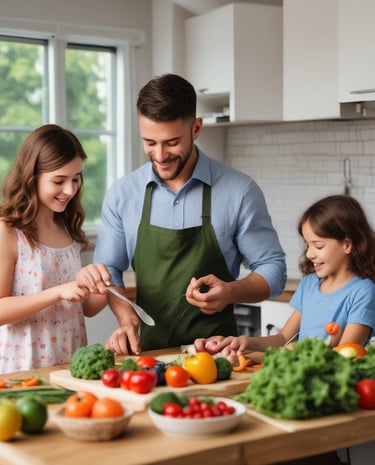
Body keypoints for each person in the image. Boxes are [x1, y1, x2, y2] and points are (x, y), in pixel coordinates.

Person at [78, 73, 286, 355]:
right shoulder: (123, 193)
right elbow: (109, 270)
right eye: (150, 142)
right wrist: (127, 320)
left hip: (219, 358)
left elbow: (273, 269)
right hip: (148, 357)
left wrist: (231, 292)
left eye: (172, 142)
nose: (160, 155)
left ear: (196, 128)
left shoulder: (240, 191)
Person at [196, 194, 375, 358]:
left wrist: (294, 351)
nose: (309, 254)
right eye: (307, 245)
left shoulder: (363, 291)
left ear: (347, 245)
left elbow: (346, 354)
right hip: (303, 373)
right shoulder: (310, 284)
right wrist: (245, 342)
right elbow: (283, 338)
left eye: (318, 246)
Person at [0, 124, 107, 373]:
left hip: (69, 366)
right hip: (22, 370)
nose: (70, 190)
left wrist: (105, 279)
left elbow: (88, 309)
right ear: (32, 177)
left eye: (76, 179)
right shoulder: (8, 230)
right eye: (59, 181)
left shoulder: (66, 226)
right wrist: (57, 293)